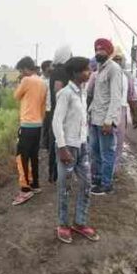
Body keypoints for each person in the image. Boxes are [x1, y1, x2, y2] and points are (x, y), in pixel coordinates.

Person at [52, 56, 99, 244]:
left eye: (89, 69)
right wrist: (62, 148)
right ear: (75, 73)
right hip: (67, 147)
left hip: (82, 145)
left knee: (86, 183)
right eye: (86, 69)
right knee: (65, 188)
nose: (89, 72)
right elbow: (56, 122)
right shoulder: (65, 94)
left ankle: (80, 222)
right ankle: (63, 225)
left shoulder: (82, 91)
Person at [88, 38, 122, 196]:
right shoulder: (99, 69)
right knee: (94, 151)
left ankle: (106, 184)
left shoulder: (114, 69)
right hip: (95, 118)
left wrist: (109, 121)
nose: (98, 53)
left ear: (109, 52)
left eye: (101, 50)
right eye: (96, 50)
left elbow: (116, 98)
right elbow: (97, 96)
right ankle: (98, 179)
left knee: (107, 152)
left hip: (105, 121)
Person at [12, 56, 47, 206]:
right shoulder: (42, 82)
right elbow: (43, 106)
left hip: (27, 124)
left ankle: (25, 189)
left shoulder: (26, 81)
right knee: (33, 155)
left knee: (21, 157)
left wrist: (20, 80)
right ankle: (35, 184)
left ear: (25, 69)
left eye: (21, 70)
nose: (21, 73)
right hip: (38, 124)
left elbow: (16, 96)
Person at [111, 45, 137, 170]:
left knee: (118, 143)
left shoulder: (127, 76)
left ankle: (113, 170)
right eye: (114, 59)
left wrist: (135, 116)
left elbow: (132, 98)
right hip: (103, 112)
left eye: (119, 59)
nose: (117, 62)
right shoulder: (99, 74)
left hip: (121, 112)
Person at [48, 46, 72, 183]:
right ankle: (56, 174)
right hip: (60, 113)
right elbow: (58, 90)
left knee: (57, 142)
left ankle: (55, 174)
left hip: (56, 112)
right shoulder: (61, 72)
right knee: (59, 142)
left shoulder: (56, 71)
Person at [40, 60, 53, 151]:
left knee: (51, 127)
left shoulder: (53, 79)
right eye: (50, 67)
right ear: (45, 69)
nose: (52, 68)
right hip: (44, 107)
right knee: (45, 127)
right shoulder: (40, 81)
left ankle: (49, 144)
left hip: (52, 106)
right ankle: (44, 145)